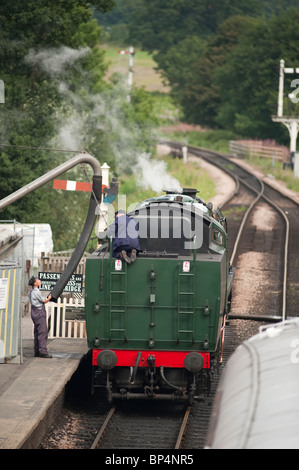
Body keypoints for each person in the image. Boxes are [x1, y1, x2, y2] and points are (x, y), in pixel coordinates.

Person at [28, 276, 52, 358]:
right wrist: (50, 297)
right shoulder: (36, 292)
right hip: (39, 312)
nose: (39, 280)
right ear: (35, 283)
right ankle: (43, 351)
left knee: (36, 332)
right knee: (42, 332)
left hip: (34, 312)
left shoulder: (30, 292)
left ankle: (37, 351)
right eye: (38, 280)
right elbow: (44, 301)